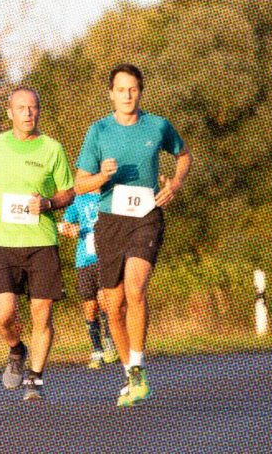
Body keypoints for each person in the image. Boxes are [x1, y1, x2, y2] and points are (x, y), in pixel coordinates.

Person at [74, 63, 192, 407]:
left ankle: (138, 368)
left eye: (133, 89)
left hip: (146, 216)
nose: (127, 95)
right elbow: (80, 183)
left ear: (140, 92)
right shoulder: (98, 131)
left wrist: (176, 182)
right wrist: (101, 177)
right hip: (110, 221)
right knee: (113, 306)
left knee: (135, 288)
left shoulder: (158, 126)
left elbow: (183, 155)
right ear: (110, 93)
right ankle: (130, 374)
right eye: (120, 89)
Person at [0, 87, 74, 401]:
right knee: (4, 316)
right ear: (10, 113)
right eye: (21, 108)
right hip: (4, 241)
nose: (28, 113)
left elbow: (68, 191)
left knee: (41, 313)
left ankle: (35, 377)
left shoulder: (52, 149)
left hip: (41, 242)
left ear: (39, 111)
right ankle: (17, 350)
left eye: (33, 108)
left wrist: (47, 203)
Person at [58, 191, 118, 368]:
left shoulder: (110, 194)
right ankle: (96, 349)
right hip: (84, 260)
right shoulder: (79, 199)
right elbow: (64, 224)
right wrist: (68, 229)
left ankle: (109, 341)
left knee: (104, 299)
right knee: (90, 307)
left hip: (106, 258)